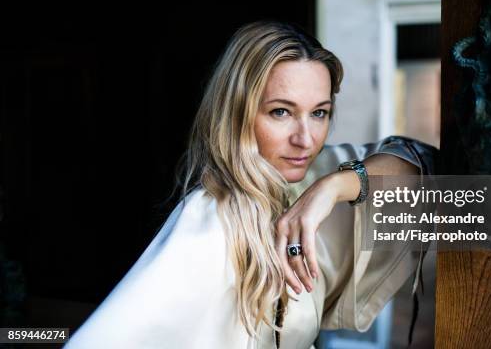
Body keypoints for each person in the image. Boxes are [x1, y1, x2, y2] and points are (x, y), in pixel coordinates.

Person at [64, 21, 436, 349]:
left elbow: (447, 181)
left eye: (319, 113)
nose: (305, 139)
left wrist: (335, 188)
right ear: (237, 114)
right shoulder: (211, 221)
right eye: (280, 112)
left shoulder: (318, 173)